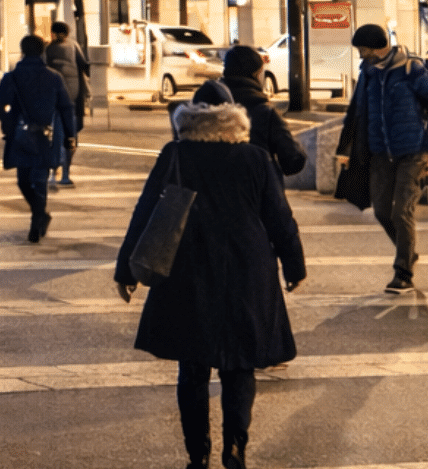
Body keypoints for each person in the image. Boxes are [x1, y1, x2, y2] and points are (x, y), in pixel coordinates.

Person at [116, 81, 305, 469]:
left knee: (192, 366)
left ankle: (197, 455)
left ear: (188, 120)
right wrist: (294, 265)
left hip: (188, 268)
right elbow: (279, 217)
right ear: (235, 119)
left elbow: (146, 210)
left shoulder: (176, 154)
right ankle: (235, 449)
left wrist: (126, 269)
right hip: (247, 268)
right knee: (240, 365)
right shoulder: (255, 158)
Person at [334, 23, 428, 293]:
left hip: (412, 151)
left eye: (363, 49)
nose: (360, 54)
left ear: (377, 47)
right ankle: (407, 251)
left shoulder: (411, 69)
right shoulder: (368, 73)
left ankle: (403, 272)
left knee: (402, 211)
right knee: (381, 211)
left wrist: (427, 135)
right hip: (379, 153)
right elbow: (356, 111)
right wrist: (345, 147)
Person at [0, 33, 76, 243]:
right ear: (42, 52)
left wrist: (8, 123)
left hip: (20, 135)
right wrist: (70, 135)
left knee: (23, 180)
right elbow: (66, 107)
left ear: (22, 51)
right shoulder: (54, 77)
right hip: (46, 136)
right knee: (39, 181)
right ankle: (38, 218)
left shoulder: (12, 77)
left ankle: (37, 220)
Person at [220, 45, 306, 184]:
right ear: (256, 73)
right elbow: (292, 161)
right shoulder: (266, 113)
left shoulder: (204, 110)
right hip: (257, 190)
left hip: (210, 194)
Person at [43, 22, 89, 188]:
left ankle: (56, 173)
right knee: (69, 138)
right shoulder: (72, 47)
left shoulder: (48, 49)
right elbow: (85, 67)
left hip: (58, 103)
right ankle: (63, 174)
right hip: (70, 103)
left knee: (58, 138)